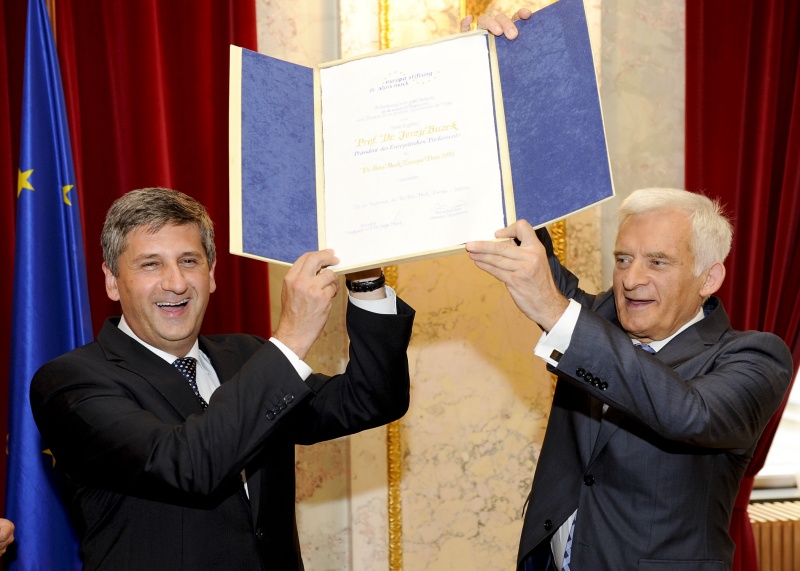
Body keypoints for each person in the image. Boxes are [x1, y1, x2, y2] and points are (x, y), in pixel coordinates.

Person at [30, 187, 415, 571]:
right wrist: (292, 338)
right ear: (112, 281)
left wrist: (366, 281)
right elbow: (188, 465)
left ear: (211, 274)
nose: (176, 283)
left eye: (189, 261)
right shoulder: (70, 382)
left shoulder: (245, 356)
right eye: (150, 264)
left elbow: (370, 399)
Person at [466, 187, 792, 570]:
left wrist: (557, 313)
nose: (631, 279)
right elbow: (542, 271)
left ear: (708, 278)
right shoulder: (604, 320)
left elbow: (690, 413)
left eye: (657, 262)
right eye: (623, 259)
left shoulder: (753, 357)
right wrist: (505, 188)